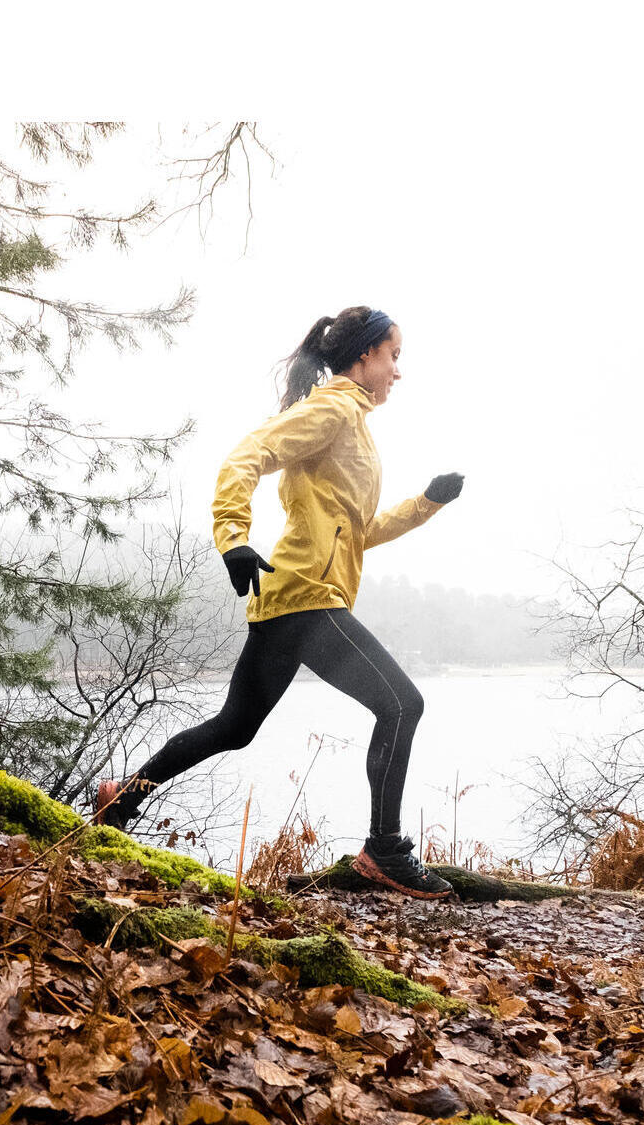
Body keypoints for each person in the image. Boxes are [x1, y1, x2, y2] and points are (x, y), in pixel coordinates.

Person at [93, 306, 463, 897]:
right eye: (395, 356)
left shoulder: (354, 422)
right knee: (401, 706)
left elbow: (358, 529)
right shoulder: (335, 408)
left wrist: (426, 503)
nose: (399, 371)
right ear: (365, 356)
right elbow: (247, 455)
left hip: (289, 601)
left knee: (234, 727)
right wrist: (233, 538)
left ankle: (123, 795)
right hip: (306, 599)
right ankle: (385, 851)